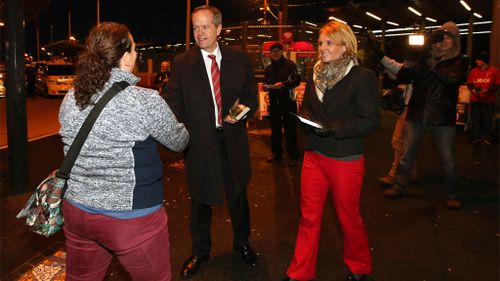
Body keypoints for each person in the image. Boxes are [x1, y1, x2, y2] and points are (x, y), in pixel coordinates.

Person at [59, 22, 189, 281]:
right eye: (134, 48)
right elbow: (178, 141)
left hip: (77, 211)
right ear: (126, 57)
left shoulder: (71, 96)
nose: (137, 54)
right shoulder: (144, 100)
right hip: (130, 218)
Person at [163, 5, 259, 279]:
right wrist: (159, 119)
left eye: (205, 26)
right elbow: (173, 101)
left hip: (233, 140)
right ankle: (199, 252)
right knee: (201, 199)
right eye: (195, 27)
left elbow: (251, 98)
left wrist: (241, 113)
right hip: (201, 143)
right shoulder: (183, 63)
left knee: (238, 196)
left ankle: (242, 243)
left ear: (219, 28)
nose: (199, 32)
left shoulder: (239, 59)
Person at [282, 21, 379, 281]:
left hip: (345, 159)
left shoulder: (362, 77)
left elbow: (370, 120)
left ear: (345, 46)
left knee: (348, 218)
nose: (322, 49)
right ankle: (300, 272)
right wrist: (306, 118)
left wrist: (333, 128)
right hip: (314, 156)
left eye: (328, 43)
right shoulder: (315, 74)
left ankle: (359, 266)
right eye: (321, 43)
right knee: (308, 218)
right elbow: (310, 109)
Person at [383, 21, 469, 210]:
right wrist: (413, 56)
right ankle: (399, 185)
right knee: (406, 155)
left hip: (442, 116)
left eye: (448, 38)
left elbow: (451, 78)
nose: (443, 41)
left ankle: (453, 193)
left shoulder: (461, 60)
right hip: (417, 113)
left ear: (456, 42)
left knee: (448, 158)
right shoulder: (425, 58)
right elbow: (404, 76)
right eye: (439, 38)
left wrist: (430, 60)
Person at [377, 57, 417, 186]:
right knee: (407, 143)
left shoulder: (410, 73)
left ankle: (395, 175)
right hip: (414, 110)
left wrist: (381, 57)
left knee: (398, 141)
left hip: (409, 110)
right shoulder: (415, 72)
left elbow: (393, 67)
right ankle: (410, 172)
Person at [263, 42, 301, 166]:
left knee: (290, 130)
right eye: (273, 51)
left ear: (282, 51)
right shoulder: (269, 68)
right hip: (274, 103)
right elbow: (265, 82)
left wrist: (284, 84)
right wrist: (265, 87)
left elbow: (297, 80)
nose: (275, 53)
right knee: (275, 130)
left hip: (288, 102)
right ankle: (276, 152)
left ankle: (293, 156)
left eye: (277, 50)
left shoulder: (290, 65)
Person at [467, 51, 499, 145]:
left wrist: (487, 90)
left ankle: (488, 138)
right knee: (475, 118)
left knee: (488, 118)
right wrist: (473, 90)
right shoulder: (473, 71)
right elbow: (469, 84)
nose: (476, 61)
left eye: (478, 60)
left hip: (489, 99)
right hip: (475, 99)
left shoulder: (494, 70)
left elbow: (498, 85)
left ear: (484, 61)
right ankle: (476, 136)